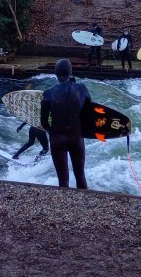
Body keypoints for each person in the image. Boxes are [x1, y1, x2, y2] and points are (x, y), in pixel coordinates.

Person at [40, 59, 91, 189]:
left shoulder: (47, 93)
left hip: (57, 139)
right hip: (76, 137)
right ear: (71, 72)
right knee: (80, 175)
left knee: (63, 181)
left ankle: (64, 206)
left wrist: (52, 132)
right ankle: (83, 204)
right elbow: (90, 112)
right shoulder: (81, 88)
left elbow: (44, 122)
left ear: (55, 73)